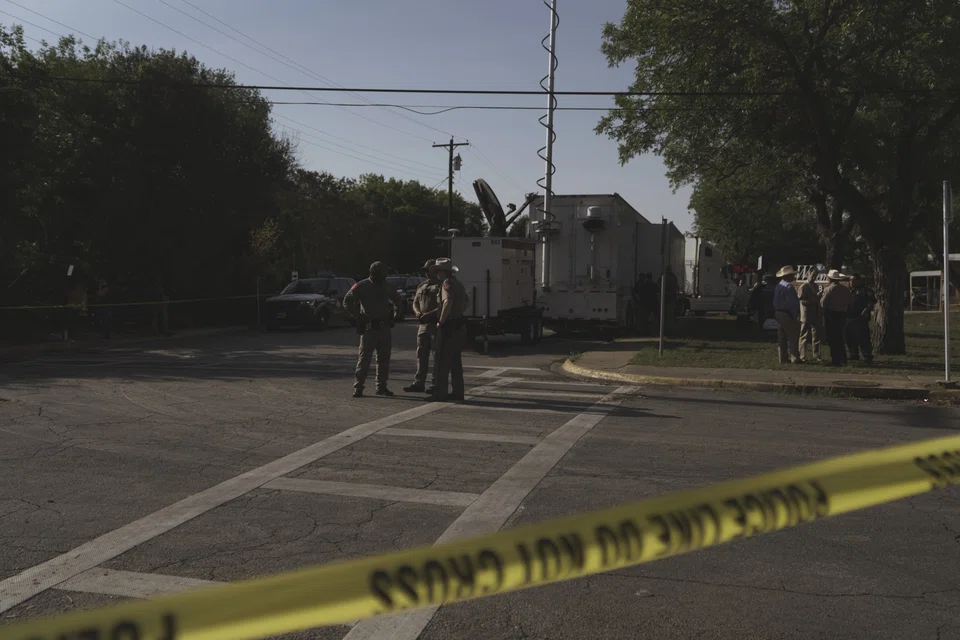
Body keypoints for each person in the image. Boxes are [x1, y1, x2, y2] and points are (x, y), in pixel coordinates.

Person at [343, 261, 402, 398]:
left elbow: (398, 300)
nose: (382, 277)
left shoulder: (387, 286)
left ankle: (381, 386)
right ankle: (358, 387)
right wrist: (358, 316)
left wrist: (395, 315)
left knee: (384, 360)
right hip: (369, 329)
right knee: (364, 360)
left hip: (384, 328)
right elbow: (347, 301)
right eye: (380, 274)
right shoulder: (362, 286)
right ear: (373, 273)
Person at [427, 257, 469, 402]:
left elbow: (447, 302)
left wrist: (441, 321)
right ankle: (458, 391)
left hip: (449, 326)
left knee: (441, 361)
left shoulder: (446, 284)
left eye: (437, 270)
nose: (437, 273)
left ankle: (440, 392)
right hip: (459, 324)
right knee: (455, 361)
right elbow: (466, 302)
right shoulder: (458, 284)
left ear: (442, 271)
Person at [403, 259, 441, 393]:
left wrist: (430, 314)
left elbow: (445, 305)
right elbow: (415, 302)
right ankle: (419, 382)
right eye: (424, 271)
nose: (425, 273)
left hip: (436, 324)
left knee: (437, 355)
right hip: (423, 324)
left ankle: (435, 383)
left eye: (428, 270)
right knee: (421, 354)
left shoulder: (442, 286)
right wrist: (418, 312)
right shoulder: (422, 286)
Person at [821, 269, 853, 366]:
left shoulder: (829, 289)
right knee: (840, 337)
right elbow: (850, 303)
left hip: (831, 314)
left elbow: (823, 303)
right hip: (842, 314)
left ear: (830, 279)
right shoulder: (846, 290)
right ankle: (843, 358)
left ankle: (835, 359)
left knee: (832, 338)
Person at [773, 265, 801, 364]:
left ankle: (782, 357)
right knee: (792, 335)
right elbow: (792, 303)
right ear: (788, 276)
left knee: (782, 336)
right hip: (787, 313)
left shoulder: (778, 286)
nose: (793, 277)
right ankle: (795, 357)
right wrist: (795, 315)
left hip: (778, 312)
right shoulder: (789, 287)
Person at [846, 273, 877, 363]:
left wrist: (866, 310)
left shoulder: (865, 290)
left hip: (860, 318)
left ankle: (867, 355)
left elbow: (872, 301)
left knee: (863, 337)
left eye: (854, 280)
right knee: (850, 337)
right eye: (851, 280)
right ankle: (853, 354)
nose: (852, 282)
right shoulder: (848, 291)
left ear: (859, 281)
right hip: (849, 317)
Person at [798, 267, 823, 363]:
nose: (813, 278)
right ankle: (802, 355)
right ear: (807, 275)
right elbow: (802, 301)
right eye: (812, 276)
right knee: (804, 335)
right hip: (806, 314)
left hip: (815, 313)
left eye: (815, 276)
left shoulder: (816, 286)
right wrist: (814, 299)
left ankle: (816, 355)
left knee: (816, 335)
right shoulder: (803, 287)